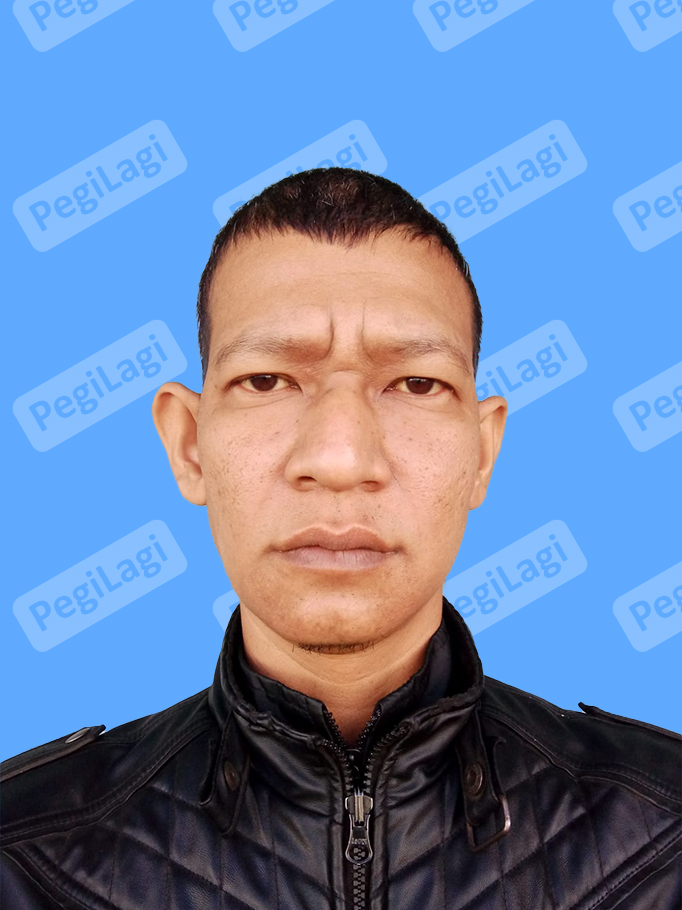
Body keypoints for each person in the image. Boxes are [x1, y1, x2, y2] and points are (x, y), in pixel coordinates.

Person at [1, 168, 680, 909]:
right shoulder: (24, 853)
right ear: (189, 444)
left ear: (483, 453)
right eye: (267, 381)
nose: (340, 459)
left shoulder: (662, 836)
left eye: (416, 384)